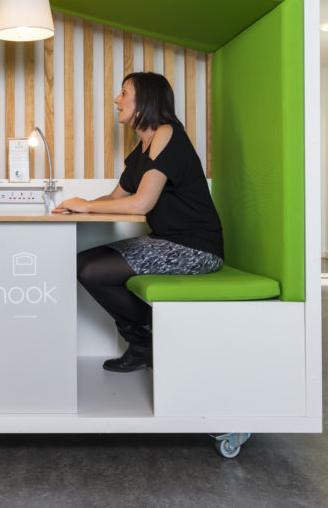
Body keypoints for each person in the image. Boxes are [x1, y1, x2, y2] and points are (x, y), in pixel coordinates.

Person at [53, 72, 223, 372]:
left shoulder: (167, 134)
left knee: (93, 271)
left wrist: (88, 208)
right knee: (82, 263)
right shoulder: (140, 150)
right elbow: (116, 196)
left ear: (145, 100)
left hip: (196, 248)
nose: (116, 100)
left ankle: (145, 342)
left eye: (124, 93)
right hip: (166, 240)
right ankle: (146, 342)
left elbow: (142, 202)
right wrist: (78, 206)